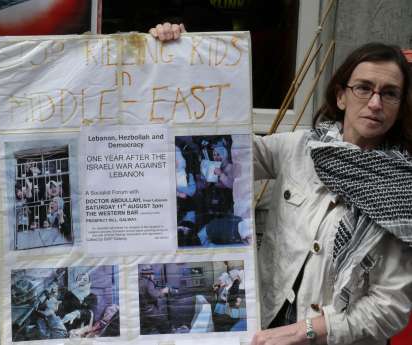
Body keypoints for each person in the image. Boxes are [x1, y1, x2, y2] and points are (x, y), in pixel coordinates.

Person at [150, 25, 412, 345]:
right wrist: (180, 58)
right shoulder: (298, 148)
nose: (375, 103)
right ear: (341, 96)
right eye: (364, 88)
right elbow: (226, 146)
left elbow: (391, 307)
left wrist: (309, 329)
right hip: (267, 326)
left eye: (389, 93)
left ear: (399, 106)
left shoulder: (401, 191)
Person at [138, 265, 172, 334]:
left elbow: (147, 292)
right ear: (149, 274)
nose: (153, 275)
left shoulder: (140, 281)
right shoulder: (148, 282)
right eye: (152, 273)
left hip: (142, 310)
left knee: (146, 328)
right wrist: (164, 291)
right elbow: (154, 294)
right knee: (164, 323)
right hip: (149, 309)